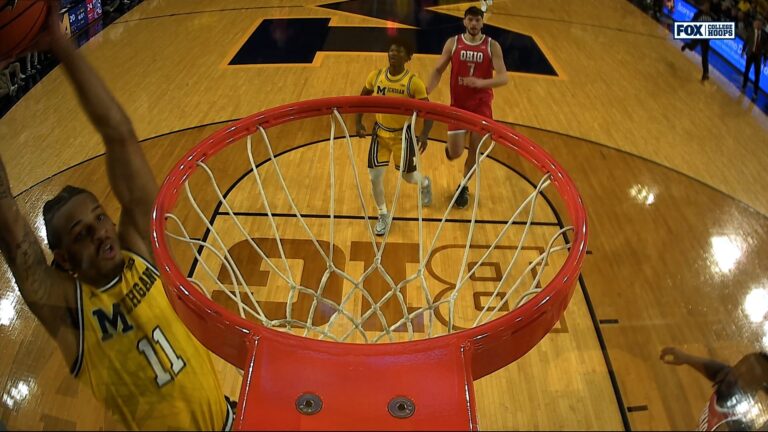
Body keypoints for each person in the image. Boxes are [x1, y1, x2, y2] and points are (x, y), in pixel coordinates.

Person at [0, 6, 233, 430]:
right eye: (81, 233)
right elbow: (10, 224)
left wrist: (60, 46)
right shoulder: (70, 313)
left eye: (100, 217)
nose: (99, 231)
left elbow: (120, 135)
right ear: (65, 260)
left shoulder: (142, 251)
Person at [426, 6, 508, 209]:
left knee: (475, 149)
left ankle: (463, 186)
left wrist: (481, 84)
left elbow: (503, 77)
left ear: (482, 22)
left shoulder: (492, 45)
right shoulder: (453, 43)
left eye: (477, 20)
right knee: (455, 153)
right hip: (458, 105)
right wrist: (425, 90)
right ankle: (452, 149)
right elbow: (438, 69)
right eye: (470, 20)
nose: (473, 24)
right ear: (464, 21)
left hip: (481, 106)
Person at [355, 36, 433, 236]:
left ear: (408, 57)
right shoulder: (377, 75)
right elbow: (361, 98)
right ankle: (383, 214)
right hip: (380, 133)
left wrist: (424, 134)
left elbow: (429, 111)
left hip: (403, 136)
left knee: (408, 177)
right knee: (374, 177)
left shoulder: (413, 83)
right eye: (391, 50)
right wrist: (357, 121)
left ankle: (424, 183)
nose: (393, 54)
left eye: (399, 51)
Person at [660, 347, 768, 430]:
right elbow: (718, 370)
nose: (733, 375)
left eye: (743, 377)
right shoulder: (729, 381)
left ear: (752, 388)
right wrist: (686, 358)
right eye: (738, 367)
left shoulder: (736, 424)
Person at [681, 1, 715, 81]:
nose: (707, 7)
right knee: (692, 48)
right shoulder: (698, 13)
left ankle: (705, 74)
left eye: (708, 6)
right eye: (706, 5)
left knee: (705, 56)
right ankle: (686, 45)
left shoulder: (710, 16)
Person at [741, 17, 767, 101]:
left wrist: (765, 58)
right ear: (754, 24)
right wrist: (743, 51)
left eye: (759, 23)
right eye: (756, 23)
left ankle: (755, 93)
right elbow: (746, 41)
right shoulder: (750, 32)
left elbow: (766, 48)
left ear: (761, 25)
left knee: (757, 75)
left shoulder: (763, 36)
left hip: (758, 57)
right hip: (750, 54)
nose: (757, 25)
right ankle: (744, 86)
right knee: (746, 71)